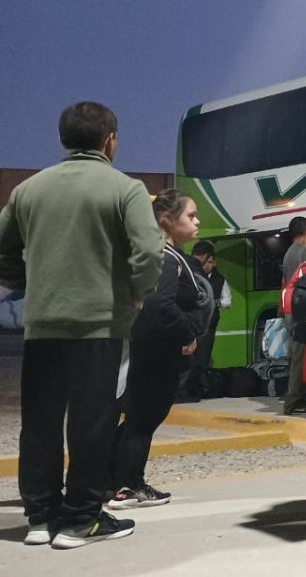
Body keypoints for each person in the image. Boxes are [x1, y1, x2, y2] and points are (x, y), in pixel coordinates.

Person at [0, 101, 163, 548]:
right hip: (99, 326)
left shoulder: (29, 191)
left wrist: (24, 284)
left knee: (39, 423)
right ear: (110, 140)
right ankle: (80, 519)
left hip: (43, 323)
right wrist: (136, 294)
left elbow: (3, 252)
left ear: (63, 139)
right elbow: (149, 252)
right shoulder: (124, 188)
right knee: (91, 423)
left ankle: (39, 516)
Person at [110, 189, 209, 509]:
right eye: (190, 216)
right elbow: (160, 307)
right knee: (144, 419)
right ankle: (128, 486)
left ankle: (108, 478)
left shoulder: (160, 254)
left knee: (140, 418)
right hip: (158, 354)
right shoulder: (165, 258)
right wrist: (186, 336)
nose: (197, 222)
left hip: (151, 351)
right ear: (167, 221)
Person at [182, 240, 231, 401]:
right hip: (192, 324)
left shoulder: (219, 279)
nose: (207, 265)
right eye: (205, 262)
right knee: (190, 358)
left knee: (203, 357)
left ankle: (200, 389)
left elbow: (227, 301)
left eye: (210, 262)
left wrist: (215, 302)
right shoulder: (191, 274)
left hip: (209, 325)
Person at [282, 216, 306, 416]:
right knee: (300, 358)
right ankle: (293, 400)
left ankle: (300, 398)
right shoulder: (305, 251)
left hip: (290, 311)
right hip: (302, 311)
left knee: (298, 356)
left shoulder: (288, 254)